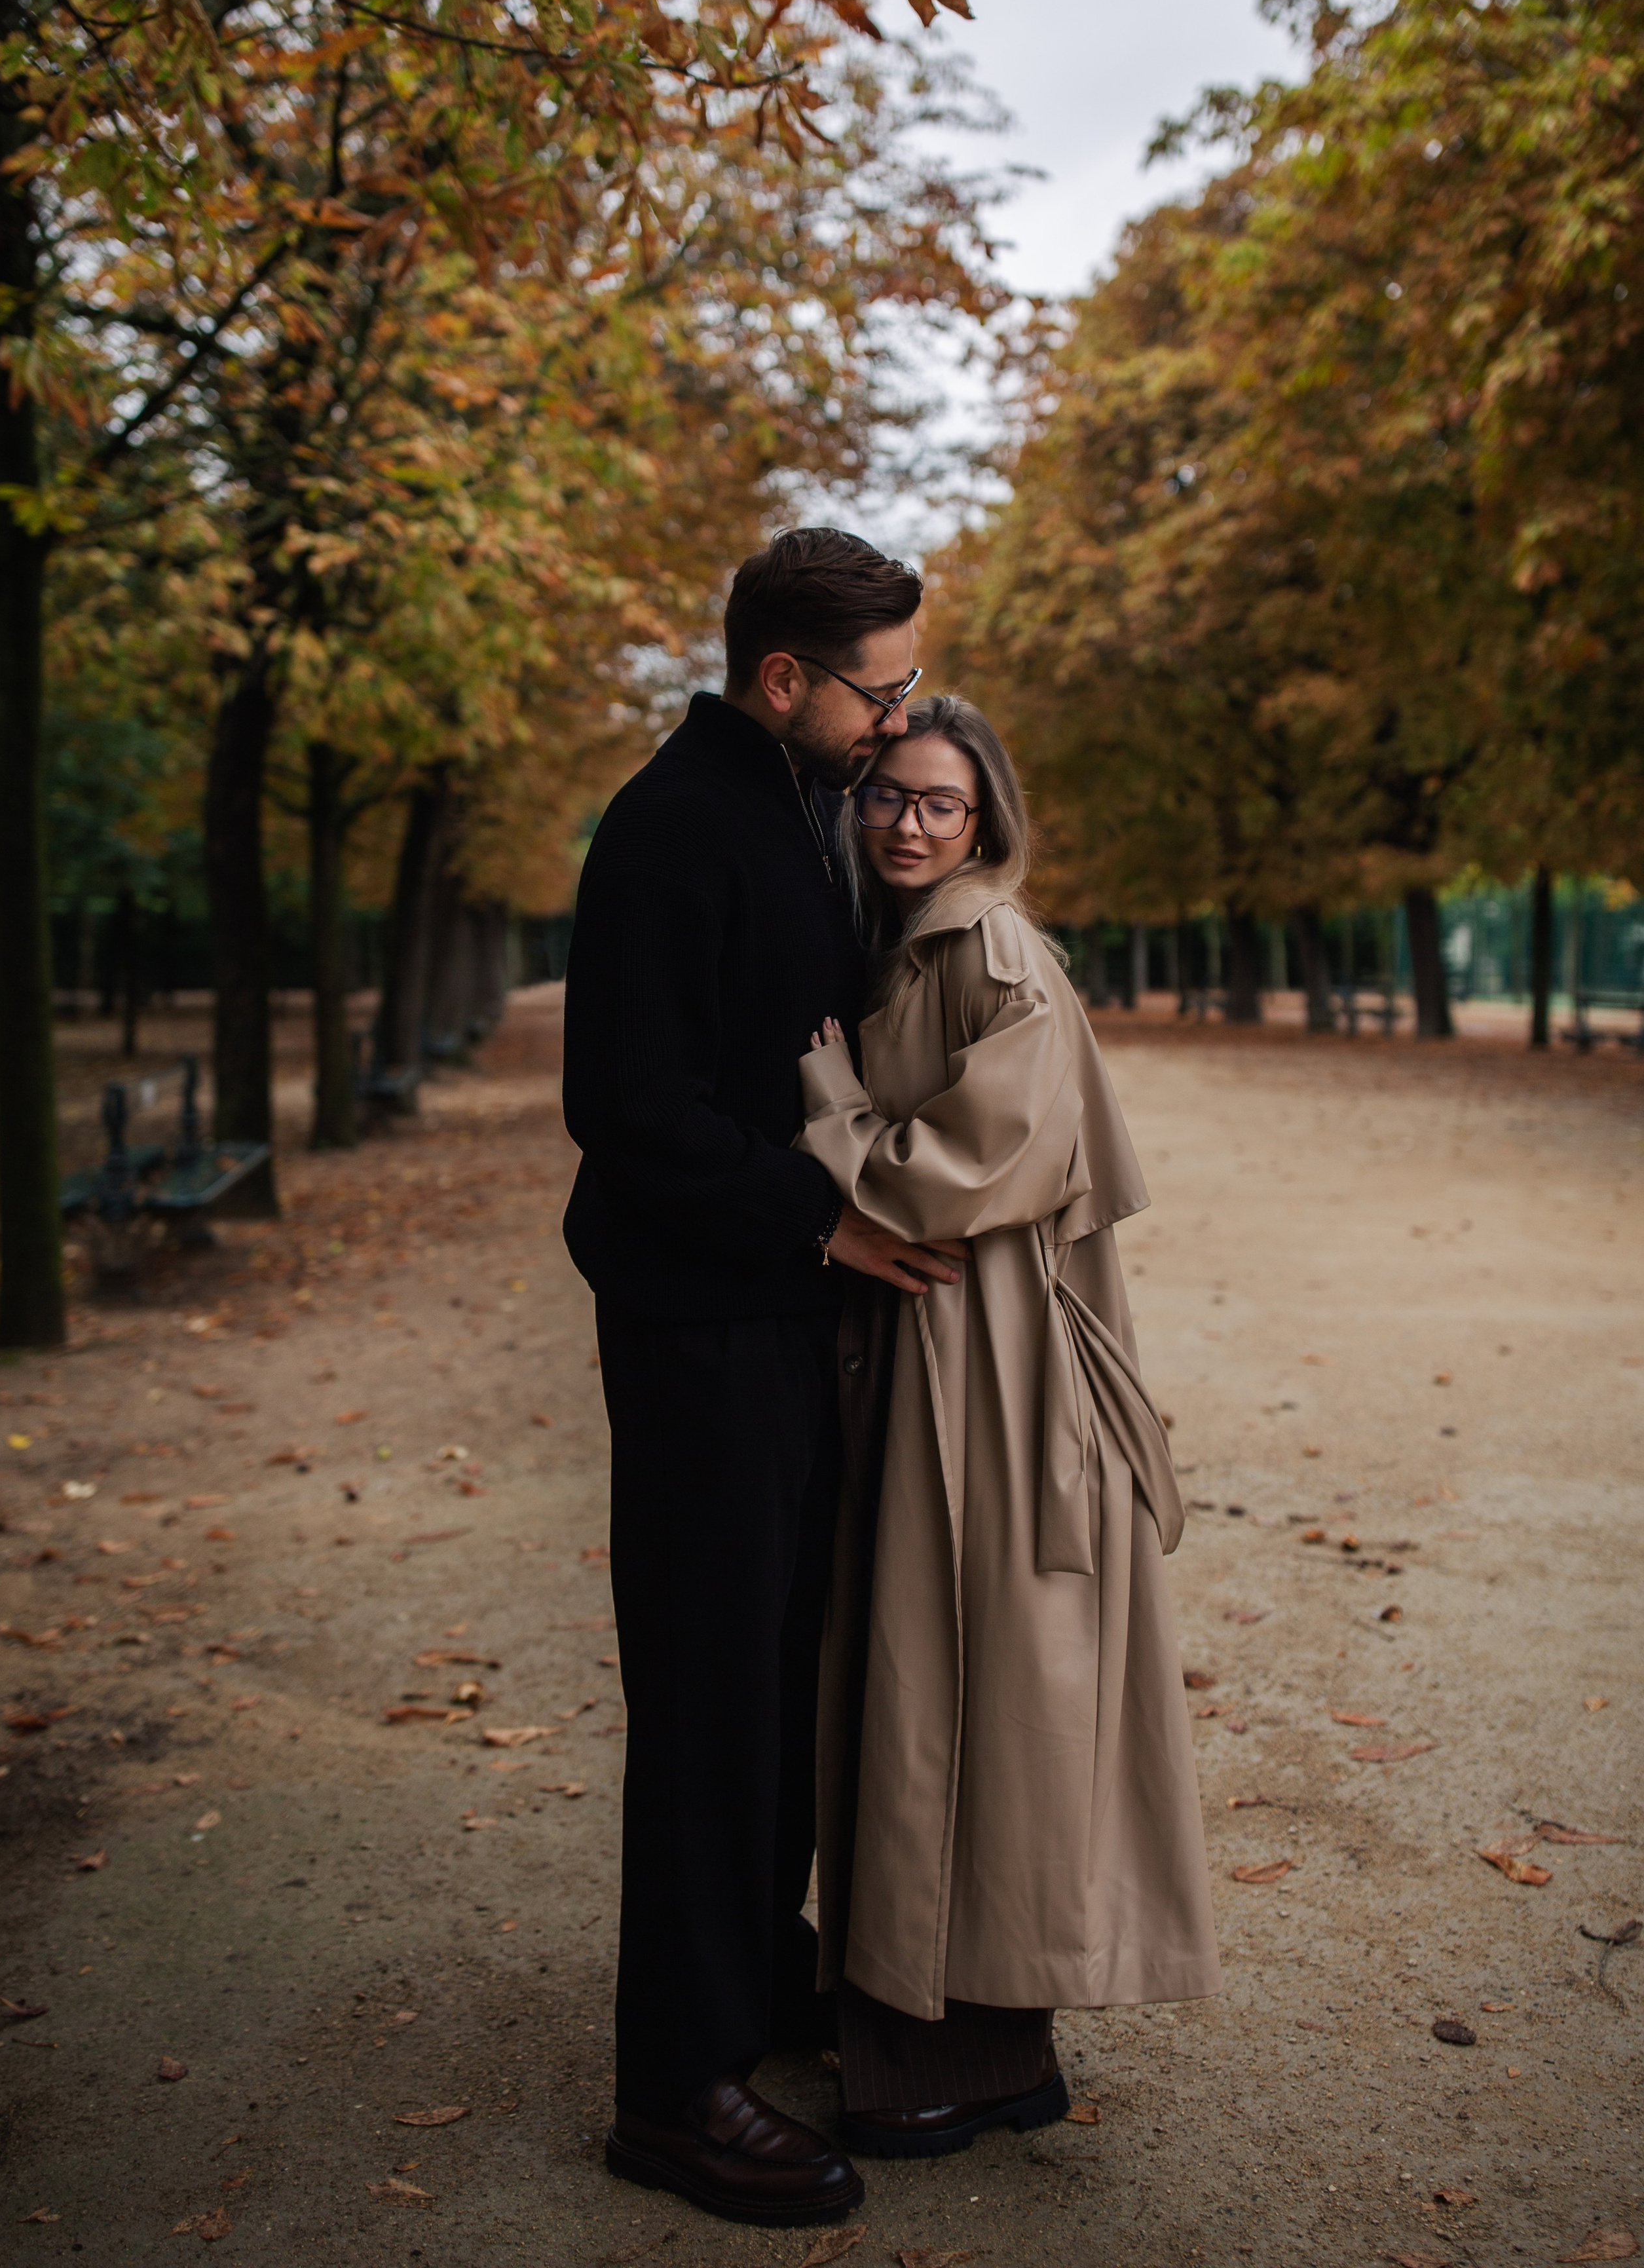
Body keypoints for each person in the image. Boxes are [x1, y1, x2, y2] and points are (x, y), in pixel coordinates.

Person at [560, 530, 964, 2228]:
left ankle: (755, 1980)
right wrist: (818, 1223)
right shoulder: (670, 827)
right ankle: (674, 2090)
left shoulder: (793, 803)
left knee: (784, 1679)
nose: (899, 723)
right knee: (715, 1698)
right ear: (785, 680)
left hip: (780, 1323)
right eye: (882, 691)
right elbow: (628, 1111)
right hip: (701, 1329)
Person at [797, 694, 1222, 2159]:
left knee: (960, 1680)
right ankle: (930, 2034)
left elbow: (945, 1177)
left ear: (985, 820)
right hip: (943, 1349)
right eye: (887, 798)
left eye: (940, 804)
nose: (907, 824)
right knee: (928, 1673)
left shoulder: (990, 949)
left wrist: (828, 1107)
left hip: (990, 1365)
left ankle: (954, 2058)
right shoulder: (914, 941)